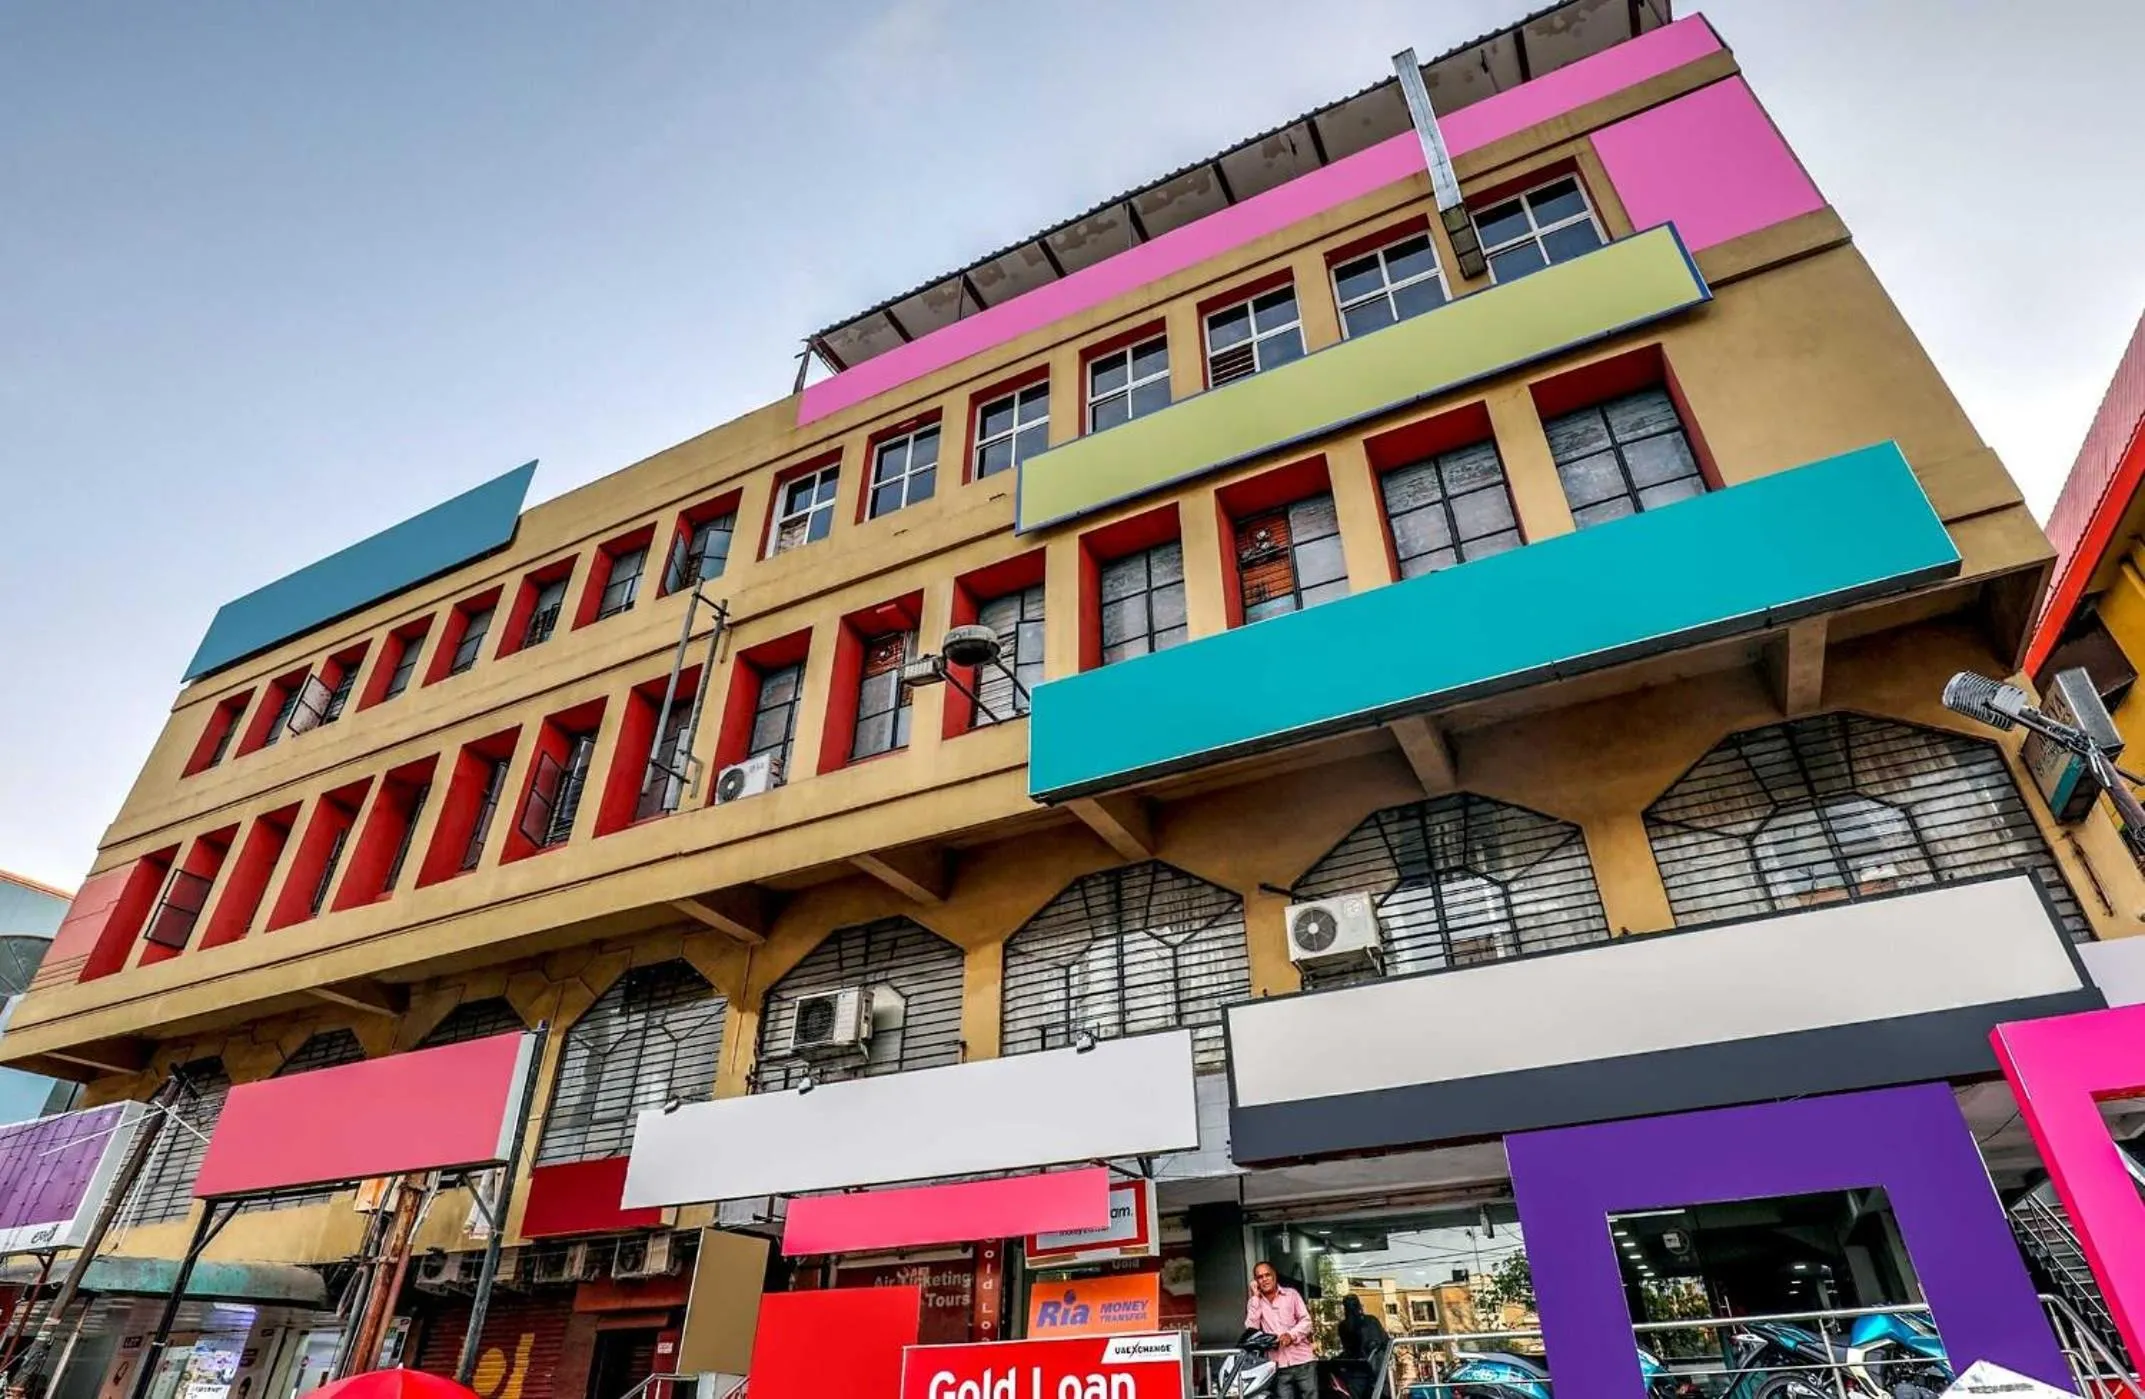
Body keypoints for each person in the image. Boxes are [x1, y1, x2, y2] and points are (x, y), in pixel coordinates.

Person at [1246, 1262, 1315, 1399]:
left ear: (1274, 1276)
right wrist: (1255, 1298)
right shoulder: (1255, 1302)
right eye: (1260, 1277)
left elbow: (1306, 1321)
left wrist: (1291, 1335)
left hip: (1303, 1361)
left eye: (1267, 1275)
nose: (1264, 1279)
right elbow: (1251, 1329)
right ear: (1256, 1281)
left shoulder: (1292, 1295)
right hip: (1278, 1365)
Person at [1333, 1295, 1389, 1399]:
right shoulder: (1370, 1320)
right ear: (1359, 1306)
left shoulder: (1344, 1326)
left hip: (1357, 1369)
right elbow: (1384, 1341)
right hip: (1371, 1369)